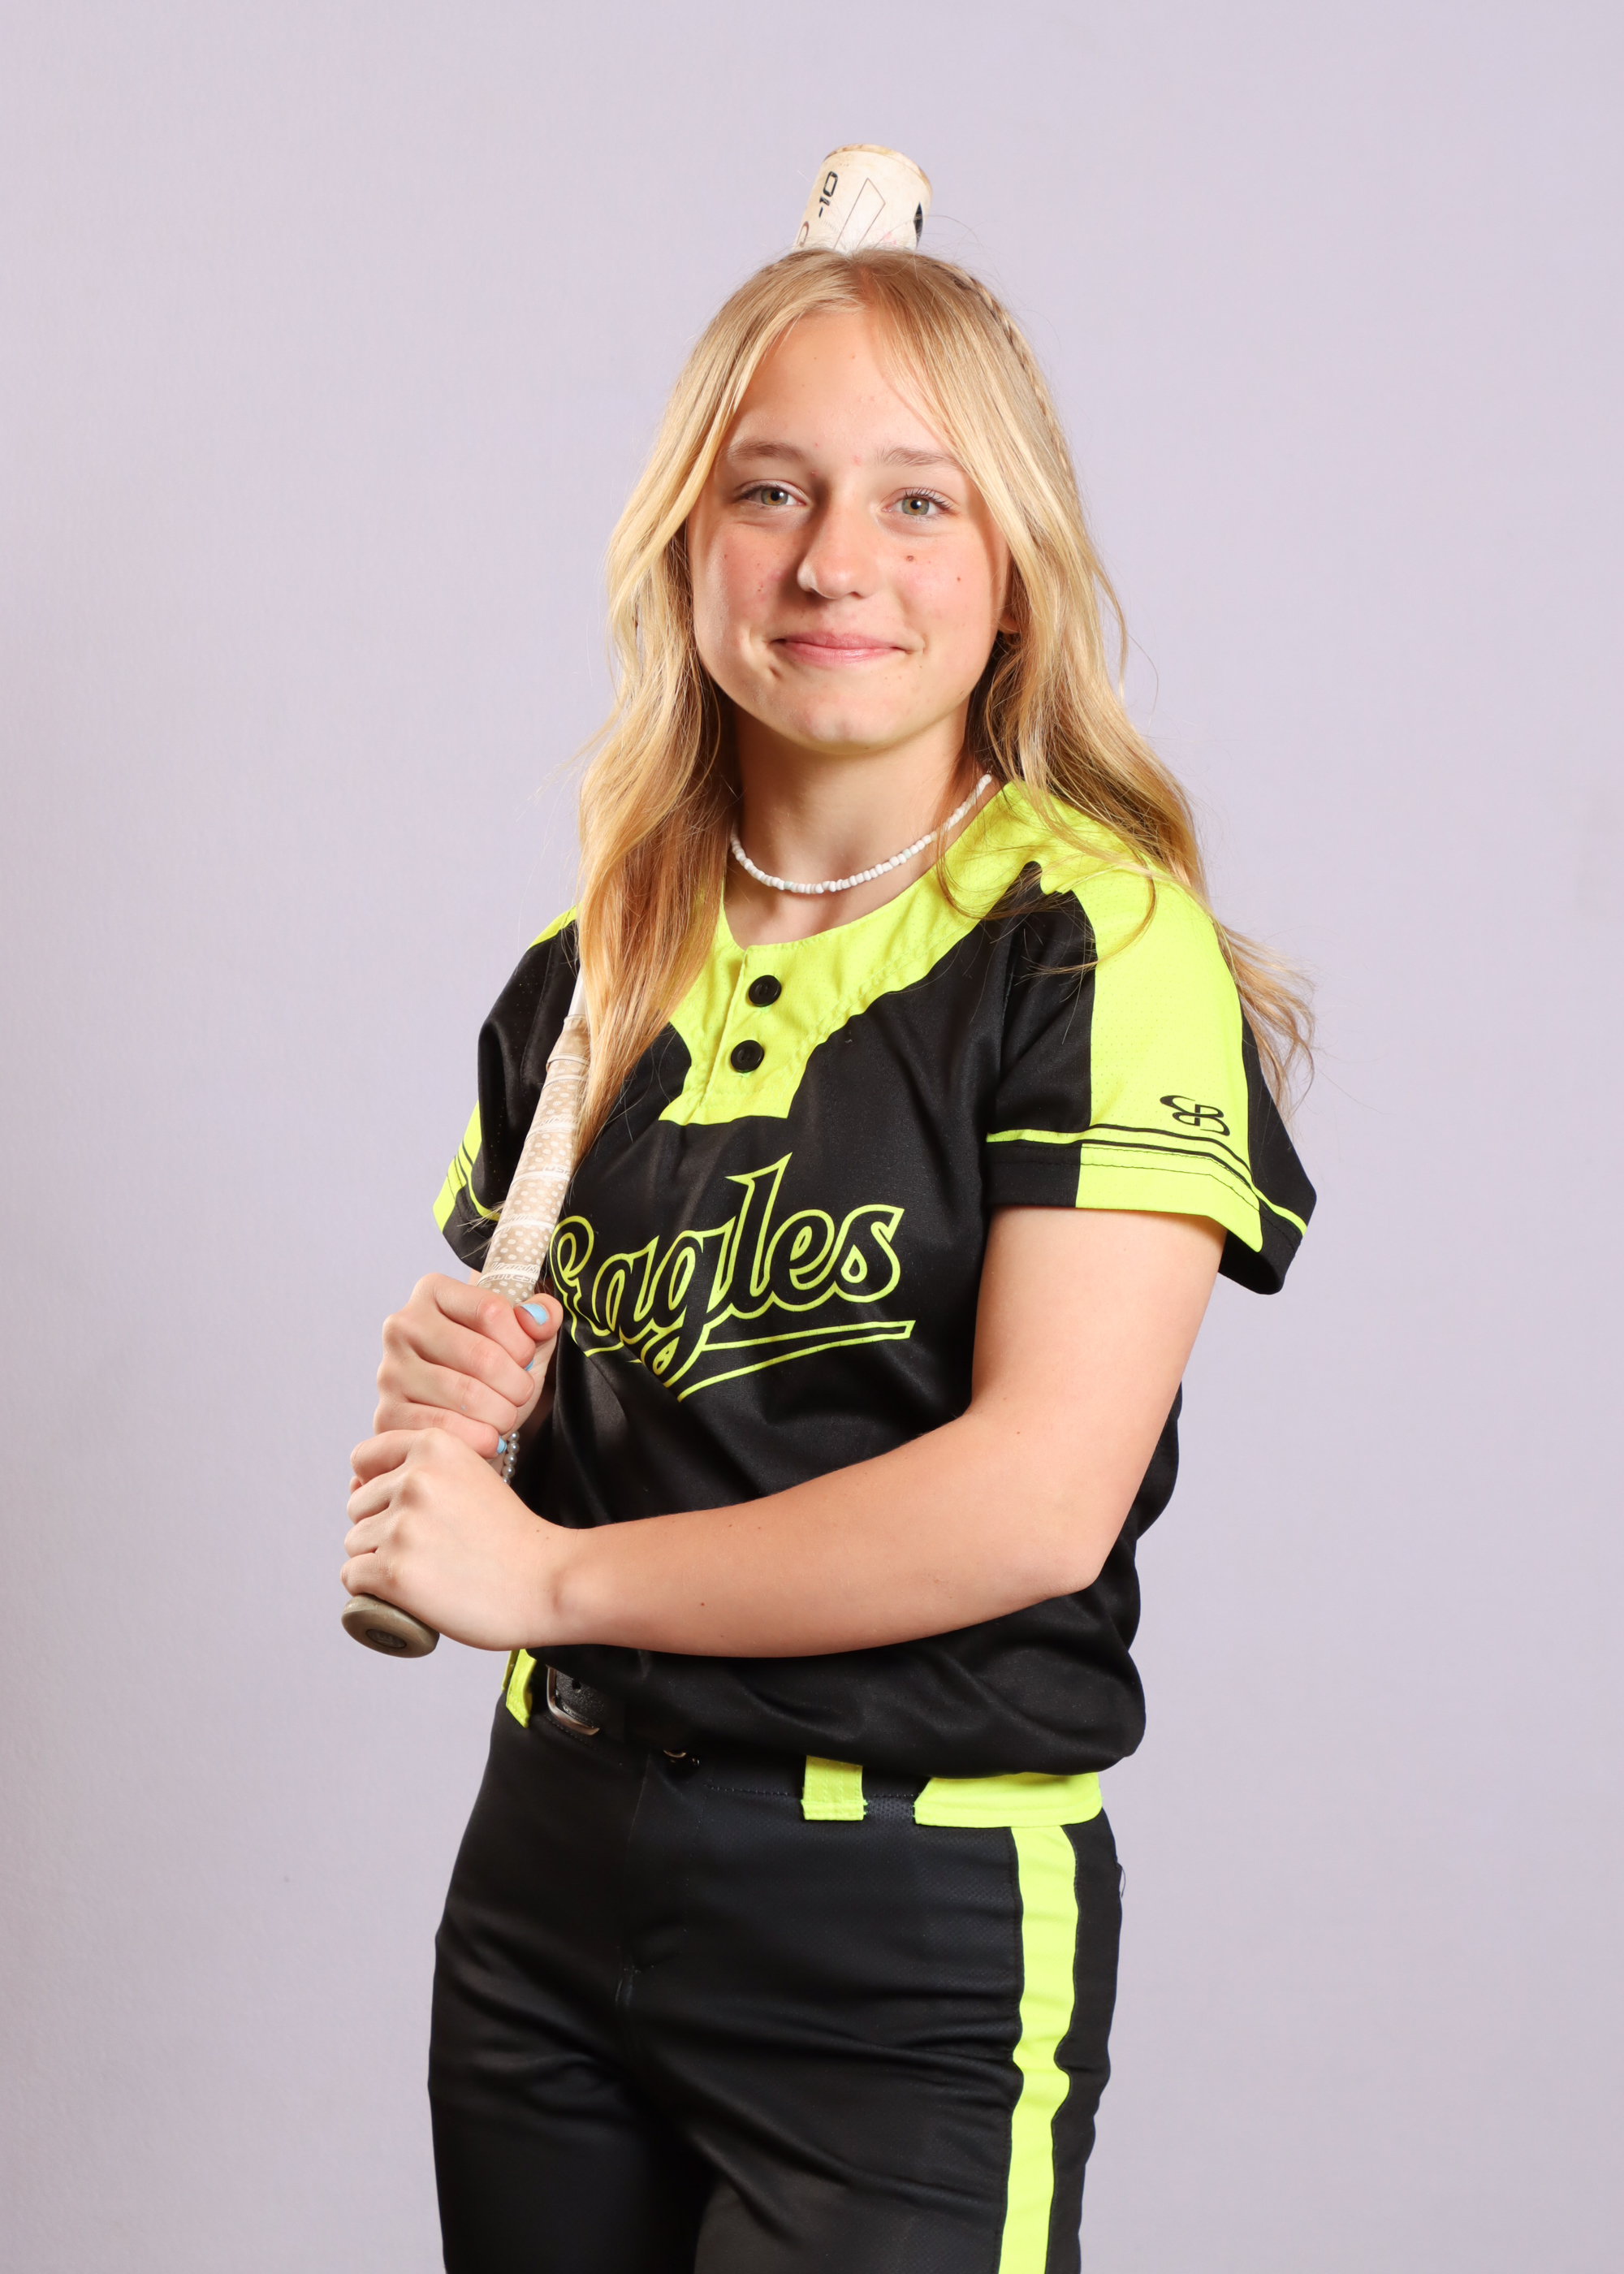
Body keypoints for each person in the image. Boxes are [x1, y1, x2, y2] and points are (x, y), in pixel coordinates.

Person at [343, 242, 1315, 2274]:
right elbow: (589, 1428)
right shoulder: (586, 969)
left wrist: (545, 1578)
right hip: (546, 1879)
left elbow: (1034, 1499)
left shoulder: (1096, 947)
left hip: (901, 1923)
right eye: (768, 489)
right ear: (682, 546)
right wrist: (469, 1406)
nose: (831, 561)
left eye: (917, 498)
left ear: (1014, 570)